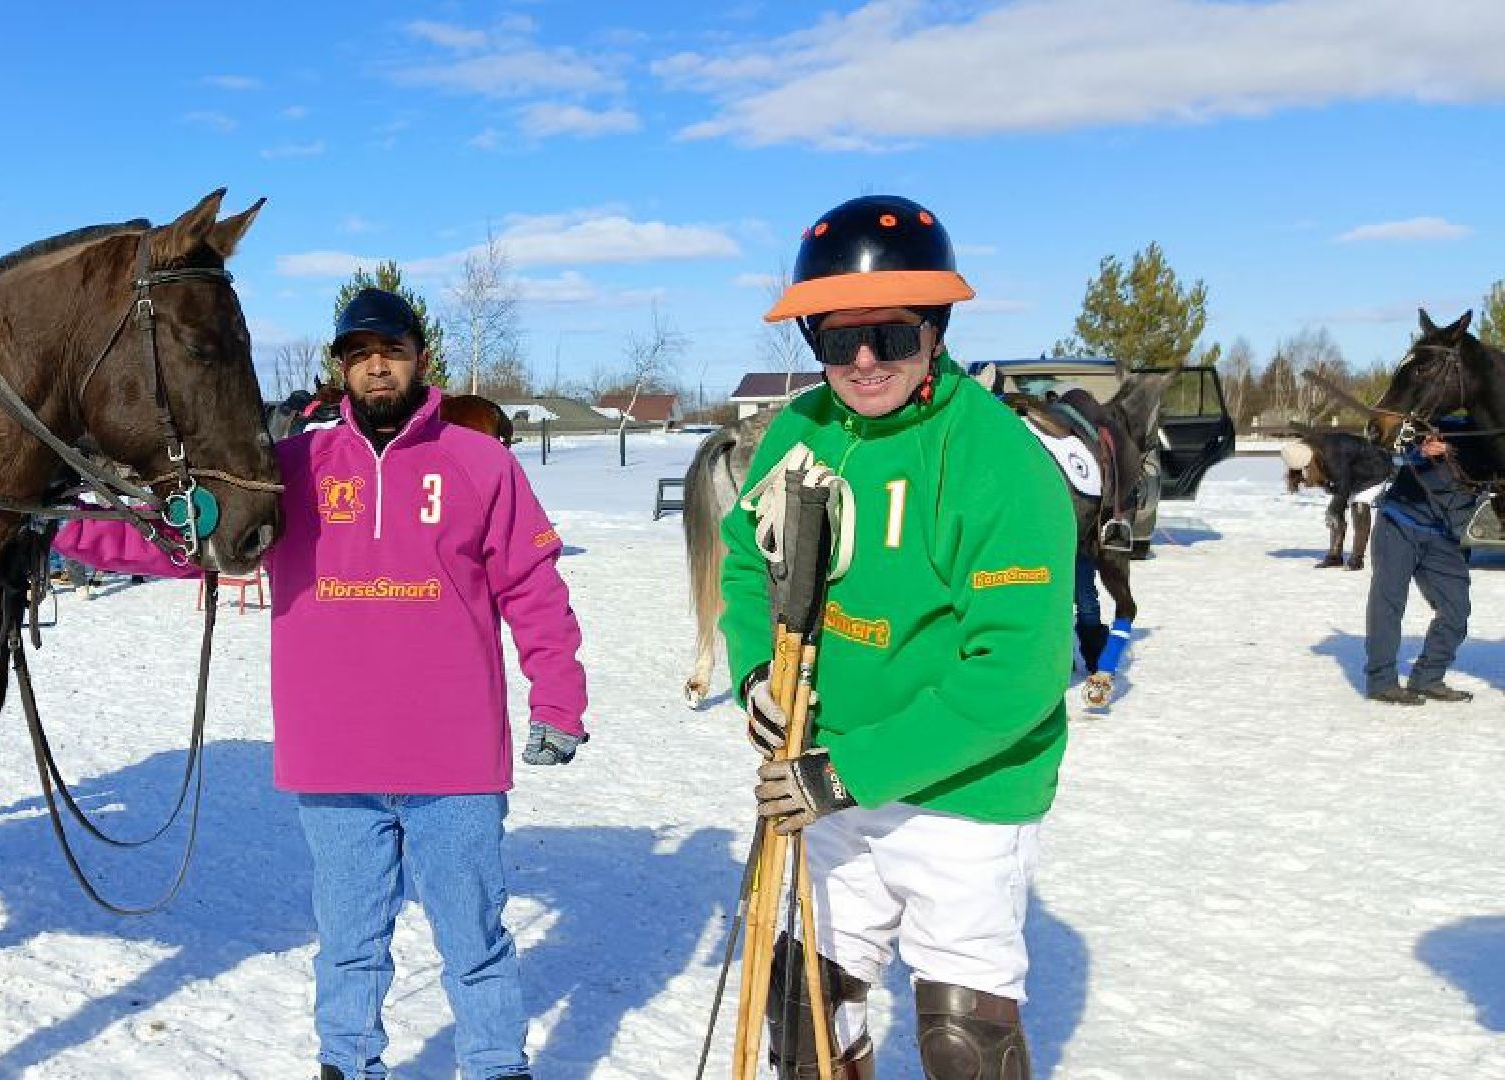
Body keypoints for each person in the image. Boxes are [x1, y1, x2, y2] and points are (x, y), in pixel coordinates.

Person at [55, 287, 589, 1080]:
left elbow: (534, 588)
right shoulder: (289, 470)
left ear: (420, 360)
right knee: (348, 944)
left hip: (457, 760)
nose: (378, 368)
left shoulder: (482, 463)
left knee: (475, 940)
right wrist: (63, 527)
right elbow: (184, 544)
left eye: (393, 352)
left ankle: (496, 1065)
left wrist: (559, 699)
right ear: (340, 368)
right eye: (361, 354)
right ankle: (348, 1064)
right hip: (336, 762)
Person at [721, 195, 1072, 1080]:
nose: (866, 359)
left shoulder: (997, 460)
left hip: (964, 794)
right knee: (802, 1010)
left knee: (962, 1040)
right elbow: (742, 562)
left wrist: (844, 774)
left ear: (936, 330)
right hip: (824, 777)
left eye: (893, 334)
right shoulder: (802, 431)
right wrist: (758, 673)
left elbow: (1015, 679)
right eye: (841, 341)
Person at [1363, 424, 1478, 705]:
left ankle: (1428, 677)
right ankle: (1382, 681)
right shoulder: (1440, 420)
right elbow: (1387, 456)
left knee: (1456, 609)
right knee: (1388, 603)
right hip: (1399, 522)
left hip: (1445, 534)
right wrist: (1417, 452)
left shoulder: (1492, 439)